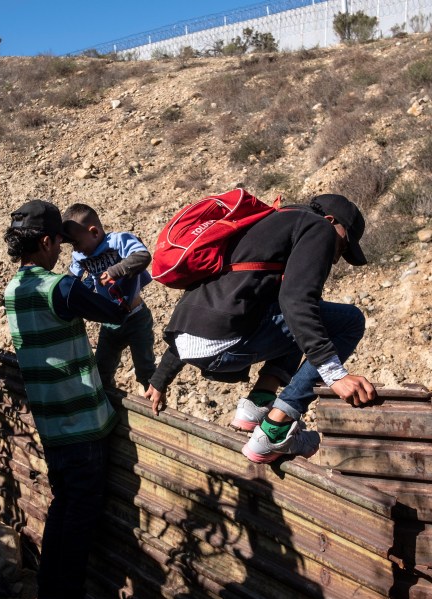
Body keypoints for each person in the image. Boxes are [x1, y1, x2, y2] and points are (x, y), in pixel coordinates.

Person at [145, 194, 378, 464]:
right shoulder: (319, 227)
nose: (337, 257)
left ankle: (256, 406)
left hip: (189, 338)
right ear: (330, 221)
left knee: (304, 315)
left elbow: (207, 310)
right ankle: (275, 429)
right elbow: (297, 301)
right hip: (224, 345)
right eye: (343, 244)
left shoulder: (270, 222)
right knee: (348, 320)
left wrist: (160, 378)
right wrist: (335, 375)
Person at [3, 200, 126, 599]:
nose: (62, 251)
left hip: (52, 426)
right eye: (59, 242)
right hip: (83, 427)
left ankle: (47, 590)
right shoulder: (60, 287)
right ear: (45, 241)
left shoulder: (13, 290)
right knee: (79, 526)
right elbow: (114, 311)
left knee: (63, 509)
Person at [62, 202, 156, 392]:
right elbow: (72, 281)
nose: (75, 249)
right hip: (110, 322)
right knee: (102, 369)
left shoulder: (118, 241)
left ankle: (154, 402)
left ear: (94, 232)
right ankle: (109, 404)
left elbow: (142, 256)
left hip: (136, 318)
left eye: (76, 243)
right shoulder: (80, 256)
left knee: (145, 369)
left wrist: (116, 271)